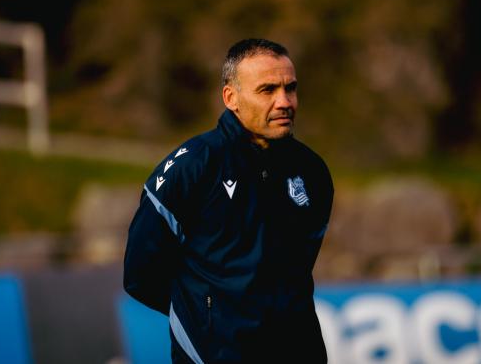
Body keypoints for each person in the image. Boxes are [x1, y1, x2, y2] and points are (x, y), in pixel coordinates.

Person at [123, 38, 334, 363]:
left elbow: (298, 270)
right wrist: (209, 317)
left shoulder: (311, 171)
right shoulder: (192, 166)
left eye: (290, 88)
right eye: (267, 90)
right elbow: (141, 275)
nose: (284, 101)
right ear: (230, 98)